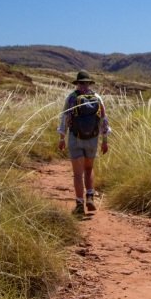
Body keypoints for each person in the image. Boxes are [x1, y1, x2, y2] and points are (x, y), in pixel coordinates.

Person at [58, 70, 110, 216]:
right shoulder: (97, 97)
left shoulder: (72, 98)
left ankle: (80, 204)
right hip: (92, 139)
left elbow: (65, 119)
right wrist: (104, 140)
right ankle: (90, 197)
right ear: (89, 83)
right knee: (89, 169)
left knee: (77, 174)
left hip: (76, 138)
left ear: (77, 83)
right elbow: (104, 120)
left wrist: (62, 138)